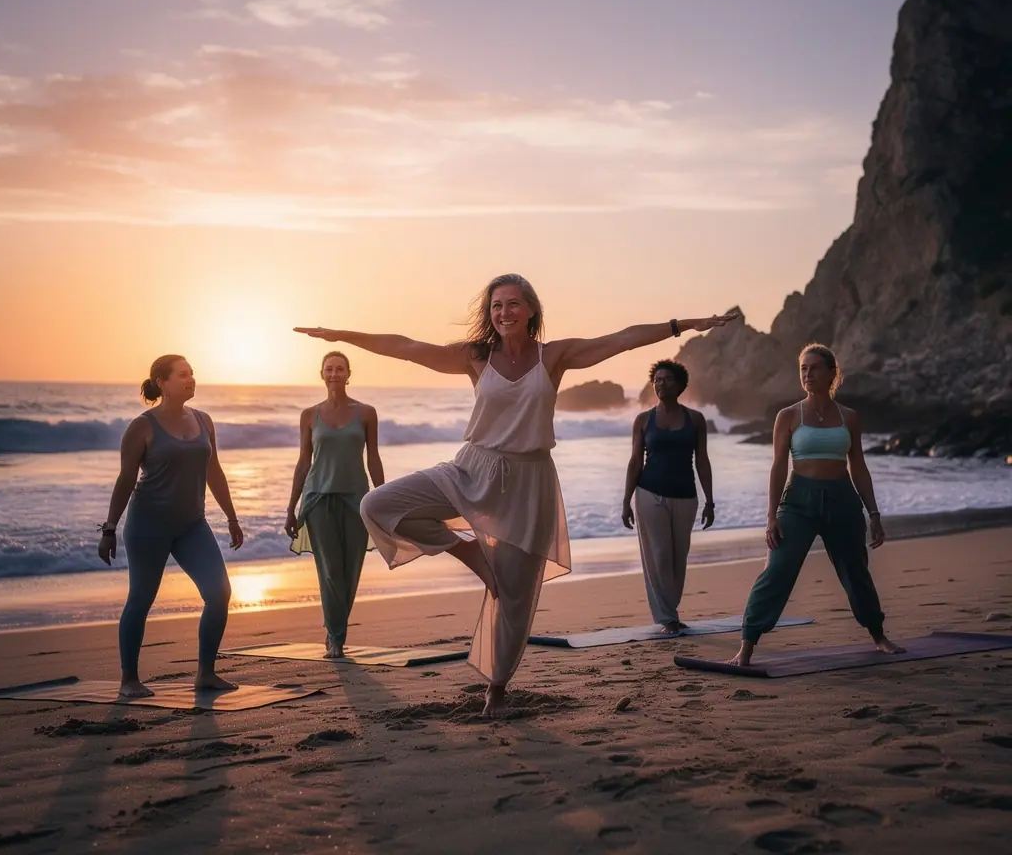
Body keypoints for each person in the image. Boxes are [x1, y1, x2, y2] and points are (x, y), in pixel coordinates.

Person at [295, 273, 735, 716]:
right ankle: (470, 555)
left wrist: (682, 325)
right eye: (495, 306)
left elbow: (621, 339)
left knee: (513, 597)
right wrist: (341, 334)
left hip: (529, 482)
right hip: (472, 468)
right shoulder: (476, 356)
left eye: (511, 304)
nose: (503, 313)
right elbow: (407, 347)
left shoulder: (554, 356)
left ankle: (496, 691)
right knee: (378, 505)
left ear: (530, 311)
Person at [730, 343, 905, 667]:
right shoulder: (788, 416)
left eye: (813, 367)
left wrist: (874, 513)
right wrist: (771, 516)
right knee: (778, 569)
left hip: (842, 499)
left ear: (831, 373)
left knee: (855, 570)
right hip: (798, 500)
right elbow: (778, 467)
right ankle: (747, 646)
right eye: (803, 368)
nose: (807, 374)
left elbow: (859, 467)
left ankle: (879, 636)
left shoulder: (850, 417)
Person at [98, 355, 245, 698]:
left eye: (192, 373)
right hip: (148, 524)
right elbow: (125, 481)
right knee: (141, 599)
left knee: (219, 593)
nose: (190, 379)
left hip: (192, 524)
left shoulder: (204, 420)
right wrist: (109, 529)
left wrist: (232, 517)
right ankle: (129, 680)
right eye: (182, 375)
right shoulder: (142, 426)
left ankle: (205, 674)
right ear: (161, 382)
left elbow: (215, 472)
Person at [284, 351, 384, 658]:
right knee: (329, 569)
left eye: (340, 369)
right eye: (329, 369)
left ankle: (337, 630)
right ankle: (335, 638)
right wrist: (291, 507)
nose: (334, 373)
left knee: (351, 568)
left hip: (357, 499)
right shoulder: (309, 415)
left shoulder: (366, 412)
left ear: (348, 374)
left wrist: (385, 499)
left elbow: (374, 459)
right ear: (322, 374)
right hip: (317, 499)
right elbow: (303, 462)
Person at [622, 359, 714, 633]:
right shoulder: (643, 420)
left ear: (680, 385)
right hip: (649, 492)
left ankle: (670, 611)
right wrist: (626, 500)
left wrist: (710, 500)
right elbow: (635, 461)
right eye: (657, 380)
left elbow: (703, 461)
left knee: (678, 555)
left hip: (685, 494)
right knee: (659, 555)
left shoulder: (695, 419)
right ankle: (667, 618)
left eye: (667, 380)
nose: (661, 384)